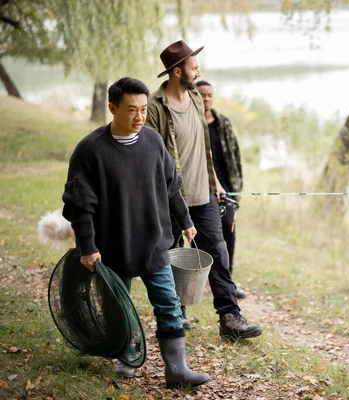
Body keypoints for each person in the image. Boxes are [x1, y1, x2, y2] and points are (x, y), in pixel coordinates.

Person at [61, 77, 211, 387]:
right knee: (119, 306)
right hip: (112, 246)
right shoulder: (90, 150)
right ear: (113, 108)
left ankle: (177, 369)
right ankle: (126, 354)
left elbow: (171, 187)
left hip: (154, 243)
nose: (139, 117)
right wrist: (87, 246)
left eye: (143, 109)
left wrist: (185, 220)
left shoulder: (153, 142)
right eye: (132, 110)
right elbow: (81, 206)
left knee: (169, 303)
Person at [145, 40, 262, 339]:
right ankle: (175, 314)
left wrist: (217, 184)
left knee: (219, 252)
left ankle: (229, 318)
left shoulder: (196, 97)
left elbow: (204, 147)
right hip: (171, 198)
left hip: (204, 195)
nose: (198, 72)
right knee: (172, 255)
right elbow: (155, 160)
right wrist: (171, 198)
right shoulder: (155, 107)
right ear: (176, 72)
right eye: (194, 67)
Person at [196, 80, 246, 299]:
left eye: (209, 95)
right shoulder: (192, 124)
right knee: (203, 237)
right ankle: (196, 282)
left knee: (229, 233)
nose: (206, 99)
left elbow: (235, 157)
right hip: (201, 189)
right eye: (201, 95)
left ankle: (228, 282)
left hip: (225, 190)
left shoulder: (222, 123)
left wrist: (235, 189)